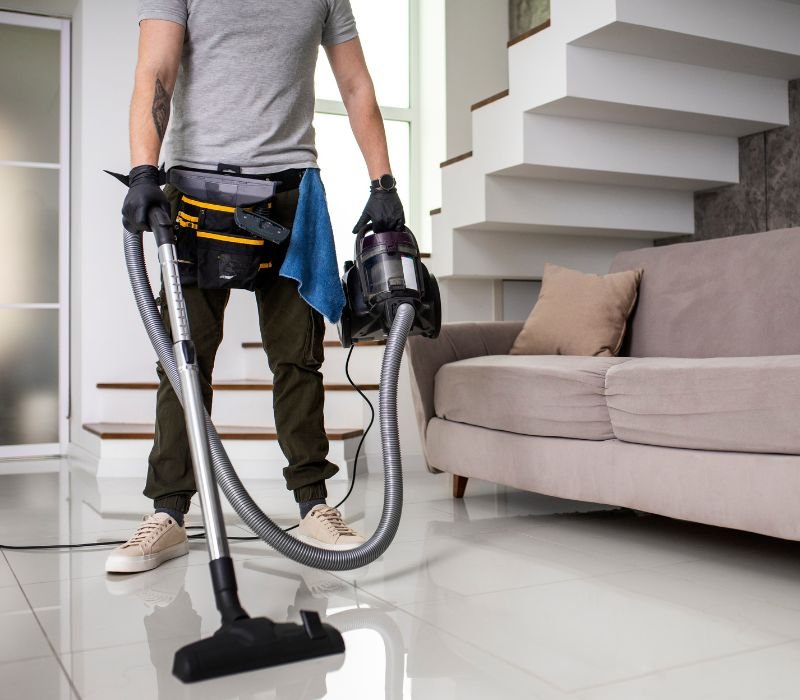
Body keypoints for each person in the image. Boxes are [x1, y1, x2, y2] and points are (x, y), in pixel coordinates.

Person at [105, 0, 405, 574]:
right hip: (195, 191)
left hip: (292, 193)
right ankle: (169, 513)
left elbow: (355, 82)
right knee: (183, 361)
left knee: (299, 358)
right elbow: (157, 70)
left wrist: (382, 180)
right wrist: (144, 169)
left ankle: (314, 507)